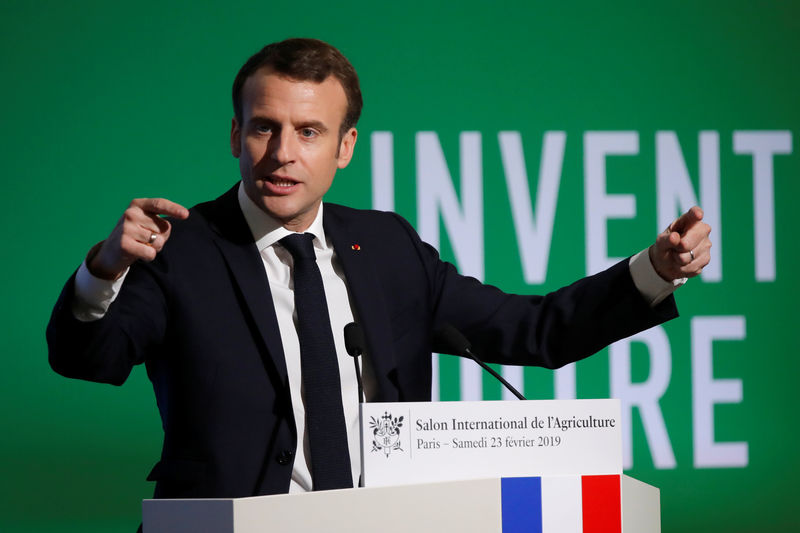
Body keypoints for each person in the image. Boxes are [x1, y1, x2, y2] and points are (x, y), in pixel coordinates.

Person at [47, 38, 711, 499]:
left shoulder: (389, 249)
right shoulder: (183, 249)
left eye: (308, 131)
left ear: (345, 146)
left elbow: (535, 330)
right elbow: (90, 356)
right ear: (234, 136)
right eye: (263, 127)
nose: (281, 152)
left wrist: (651, 271)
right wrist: (105, 269)